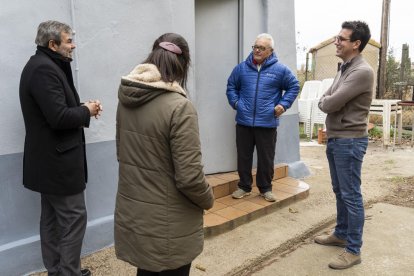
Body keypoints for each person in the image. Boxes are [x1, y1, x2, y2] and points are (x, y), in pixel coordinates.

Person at [114, 33, 215, 276]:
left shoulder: (127, 98)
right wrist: (208, 198)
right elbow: (189, 177)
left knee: (146, 271)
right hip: (169, 221)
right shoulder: (180, 107)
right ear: (183, 65)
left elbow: (123, 154)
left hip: (136, 213)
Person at [19, 20, 102, 276]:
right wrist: (85, 110)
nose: (73, 45)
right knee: (73, 219)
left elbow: (55, 110)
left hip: (49, 163)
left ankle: (58, 271)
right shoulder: (44, 69)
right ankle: (68, 272)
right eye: (68, 41)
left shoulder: (44, 65)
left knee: (53, 221)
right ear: (52, 44)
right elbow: (58, 118)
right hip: (57, 165)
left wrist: (79, 108)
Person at [315, 21, 374, 270]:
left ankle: (353, 249)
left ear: (356, 44)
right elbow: (325, 99)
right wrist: (327, 100)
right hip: (337, 138)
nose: (336, 42)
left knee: (351, 195)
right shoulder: (344, 68)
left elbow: (328, 104)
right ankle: (340, 234)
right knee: (340, 191)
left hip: (349, 141)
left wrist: (327, 101)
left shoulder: (362, 71)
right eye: (337, 38)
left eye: (341, 39)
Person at [226, 33, 299, 202]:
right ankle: (244, 186)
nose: (257, 50)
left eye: (261, 48)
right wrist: (236, 104)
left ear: (270, 51)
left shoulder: (280, 70)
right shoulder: (241, 69)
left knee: (266, 158)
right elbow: (231, 87)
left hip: (267, 122)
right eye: (255, 47)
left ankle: (265, 188)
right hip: (244, 121)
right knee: (243, 156)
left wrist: (283, 105)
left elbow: (294, 86)